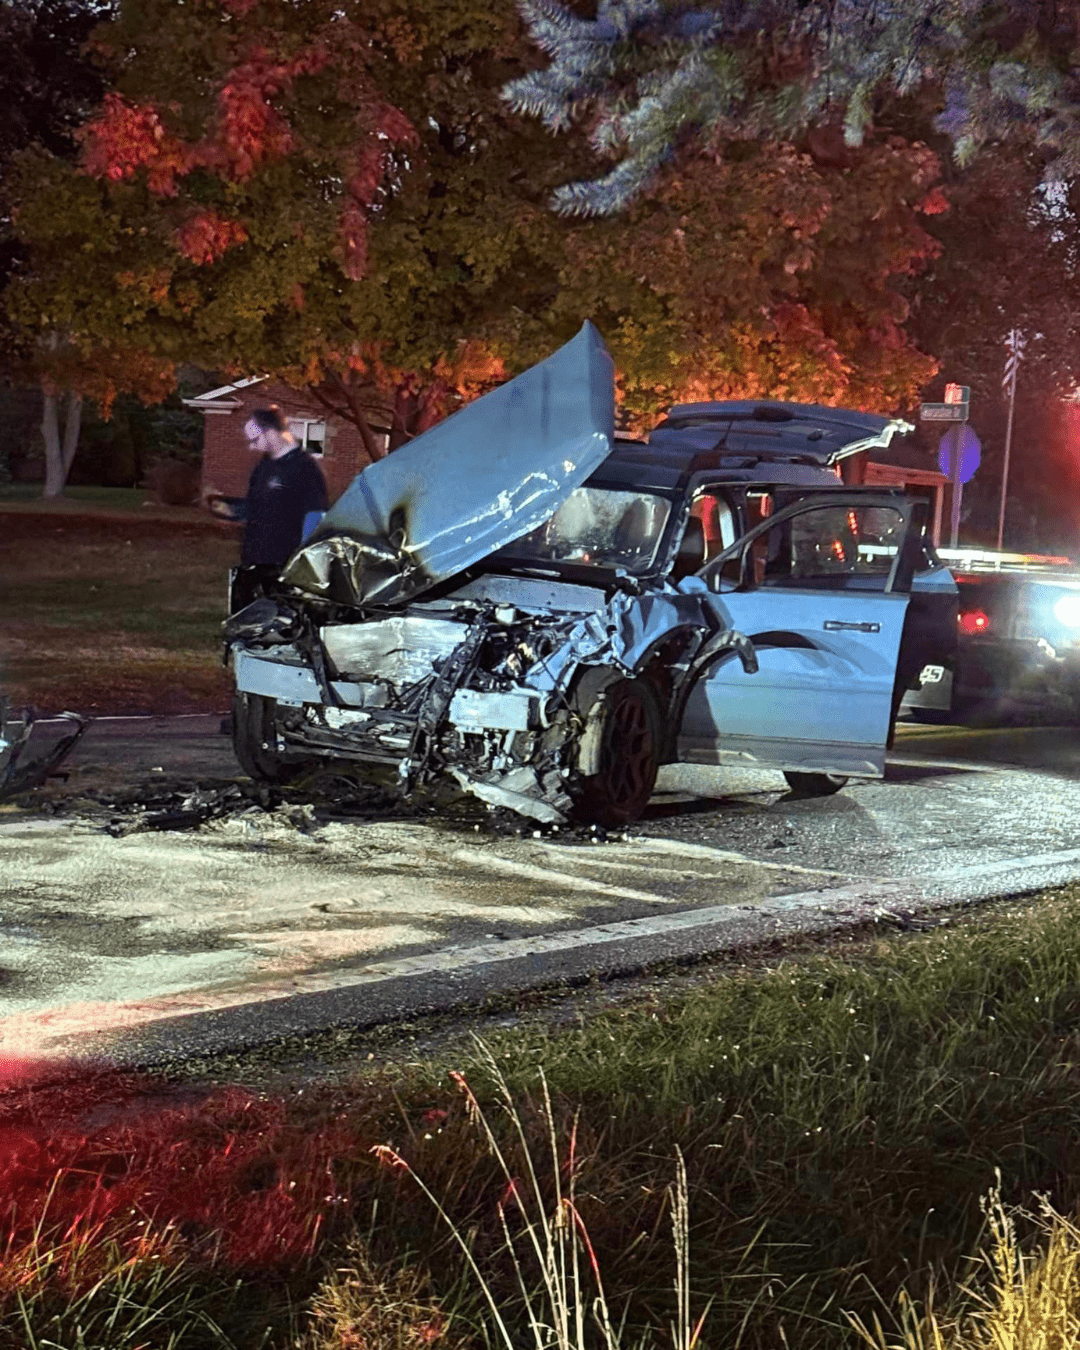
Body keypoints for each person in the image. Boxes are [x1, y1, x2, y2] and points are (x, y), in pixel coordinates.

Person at [203, 407, 329, 570]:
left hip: (283, 564)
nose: (251, 447)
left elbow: (315, 516)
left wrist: (302, 562)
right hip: (254, 561)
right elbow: (255, 506)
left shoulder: (305, 468)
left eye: (254, 440)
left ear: (270, 433)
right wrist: (227, 509)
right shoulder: (263, 467)